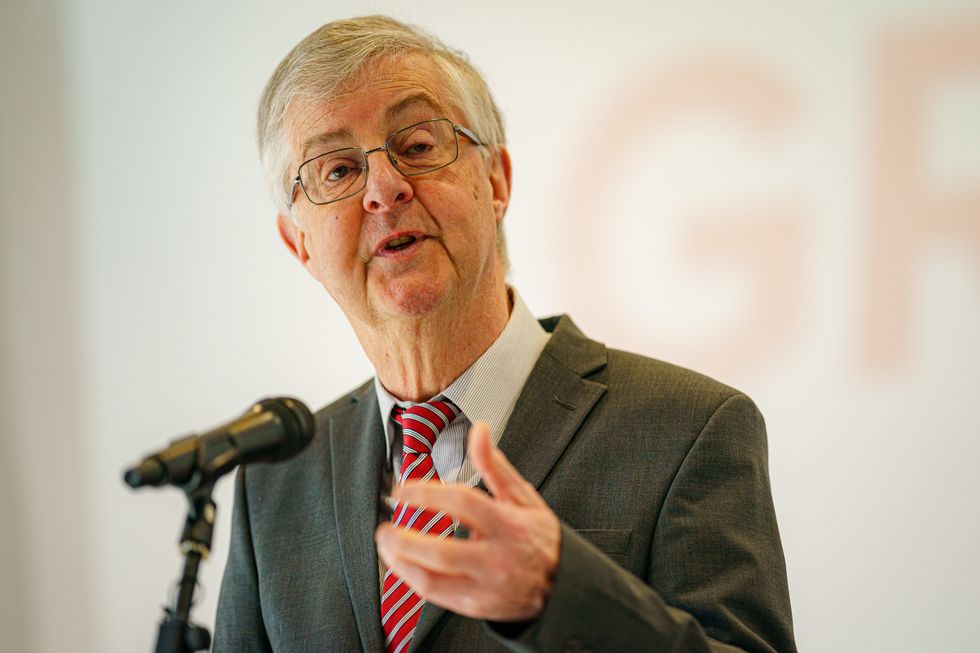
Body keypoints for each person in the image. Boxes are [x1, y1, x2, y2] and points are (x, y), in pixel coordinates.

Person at [214, 15, 796, 653]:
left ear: (496, 181)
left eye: (417, 145)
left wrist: (562, 594)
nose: (385, 189)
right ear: (299, 243)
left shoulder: (691, 428)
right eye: (336, 170)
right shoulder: (275, 480)